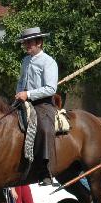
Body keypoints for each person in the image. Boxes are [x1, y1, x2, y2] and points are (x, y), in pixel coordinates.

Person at [15, 27, 59, 185]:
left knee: (45, 129)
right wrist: (19, 93)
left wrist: (29, 94)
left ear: (39, 42)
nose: (26, 45)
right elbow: (21, 81)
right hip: (23, 101)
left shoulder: (49, 62)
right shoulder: (25, 61)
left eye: (29, 42)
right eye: (25, 42)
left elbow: (51, 88)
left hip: (43, 104)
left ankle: (45, 169)